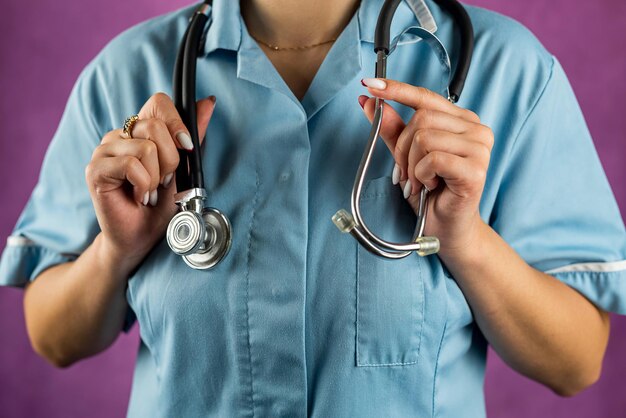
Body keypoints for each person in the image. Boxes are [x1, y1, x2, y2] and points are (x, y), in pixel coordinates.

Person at [1, 0, 625, 416]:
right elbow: (53, 337)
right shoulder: (127, 75)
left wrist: (468, 243)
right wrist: (117, 250)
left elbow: (575, 362)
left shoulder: (503, 68)